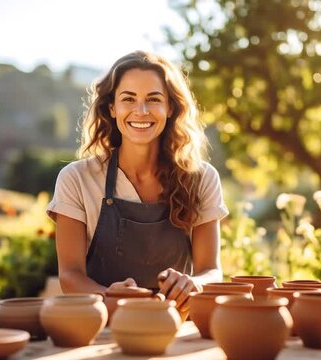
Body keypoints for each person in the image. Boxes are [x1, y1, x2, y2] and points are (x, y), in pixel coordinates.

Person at [46, 50, 228, 312]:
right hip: (103, 326)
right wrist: (109, 296)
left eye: (153, 99)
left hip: (176, 328)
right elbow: (70, 276)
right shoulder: (76, 179)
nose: (140, 111)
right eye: (128, 99)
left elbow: (211, 270)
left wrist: (194, 284)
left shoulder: (201, 179)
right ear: (112, 108)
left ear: (170, 108)